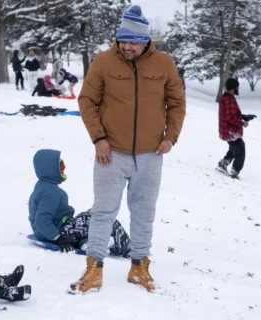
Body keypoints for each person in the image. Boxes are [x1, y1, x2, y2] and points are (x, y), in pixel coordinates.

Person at [72, 5, 186, 294]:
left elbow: (177, 102)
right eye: (122, 40)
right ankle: (93, 270)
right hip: (111, 154)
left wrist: (170, 137)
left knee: (144, 212)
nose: (126, 46)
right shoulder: (103, 61)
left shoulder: (164, 64)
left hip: (151, 155)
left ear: (145, 40)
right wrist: (98, 138)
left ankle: (139, 267)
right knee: (103, 212)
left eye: (132, 41)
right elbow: (86, 100)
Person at [28, 149, 131, 257]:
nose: (64, 169)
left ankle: (85, 242)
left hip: (59, 230)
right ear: (50, 170)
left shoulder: (43, 187)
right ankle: (130, 250)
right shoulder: (50, 193)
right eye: (60, 167)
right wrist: (59, 239)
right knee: (105, 219)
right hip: (60, 232)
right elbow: (41, 221)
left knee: (93, 216)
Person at [216, 78, 256, 179]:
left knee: (235, 148)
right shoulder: (229, 100)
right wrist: (242, 123)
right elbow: (230, 118)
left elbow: (232, 113)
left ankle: (223, 164)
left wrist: (244, 116)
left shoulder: (227, 97)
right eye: (237, 87)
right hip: (230, 131)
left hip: (227, 130)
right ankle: (234, 170)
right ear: (233, 88)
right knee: (240, 149)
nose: (238, 88)